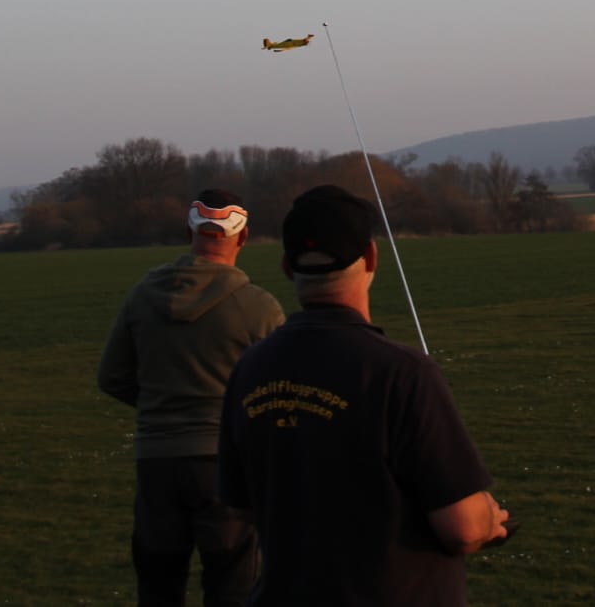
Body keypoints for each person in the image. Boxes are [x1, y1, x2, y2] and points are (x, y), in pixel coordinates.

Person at [218, 184, 509, 606]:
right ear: (371, 257)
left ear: (286, 267)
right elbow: (462, 529)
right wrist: (488, 517)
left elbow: (241, 505)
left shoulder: (249, 368)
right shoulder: (403, 373)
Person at [99, 191, 286, 607]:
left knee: (158, 587)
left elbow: (111, 377)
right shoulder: (259, 308)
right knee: (233, 586)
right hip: (227, 467)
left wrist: (160, 408)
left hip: (156, 463)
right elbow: (279, 393)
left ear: (189, 232)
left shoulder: (142, 295)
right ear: (244, 237)